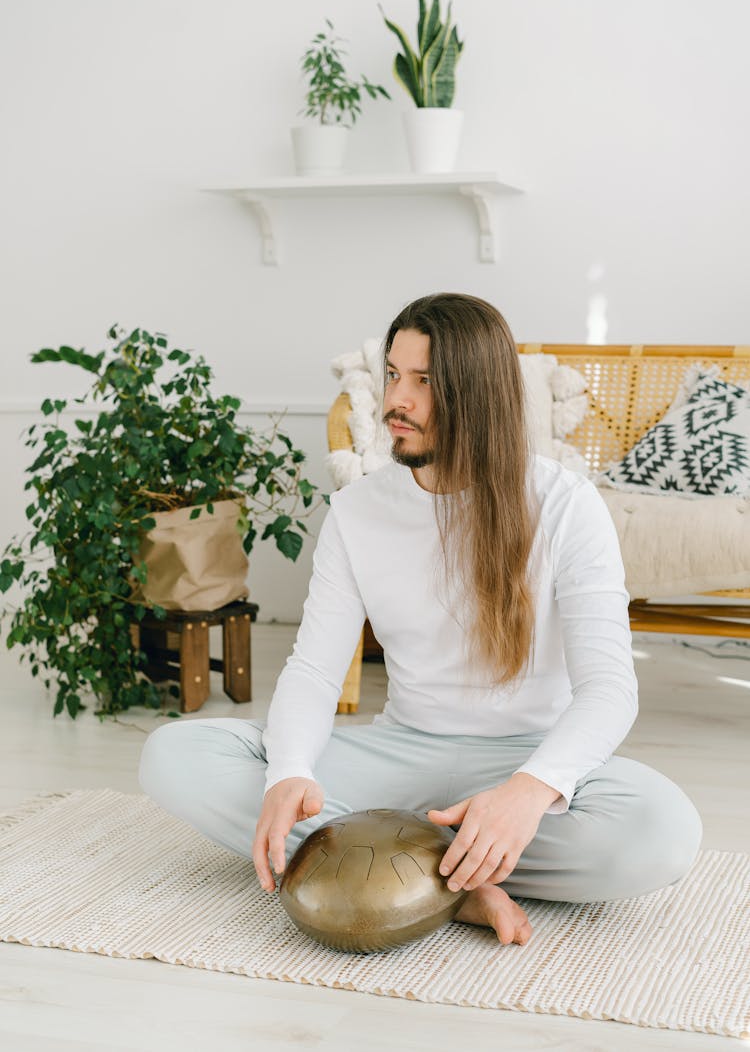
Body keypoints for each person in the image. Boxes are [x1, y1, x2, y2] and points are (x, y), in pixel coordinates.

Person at [139, 293, 702, 946]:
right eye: (392, 375)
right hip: (399, 756)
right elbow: (315, 670)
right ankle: (458, 880)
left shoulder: (566, 506)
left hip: (527, 759)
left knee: (662, 833)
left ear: (477, 393)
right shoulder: (357, 511)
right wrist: (290, 770)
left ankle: (389, 860)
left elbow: (609, 686)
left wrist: (530, 793)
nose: (392, 402)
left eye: (423, 382)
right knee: (175, 755)